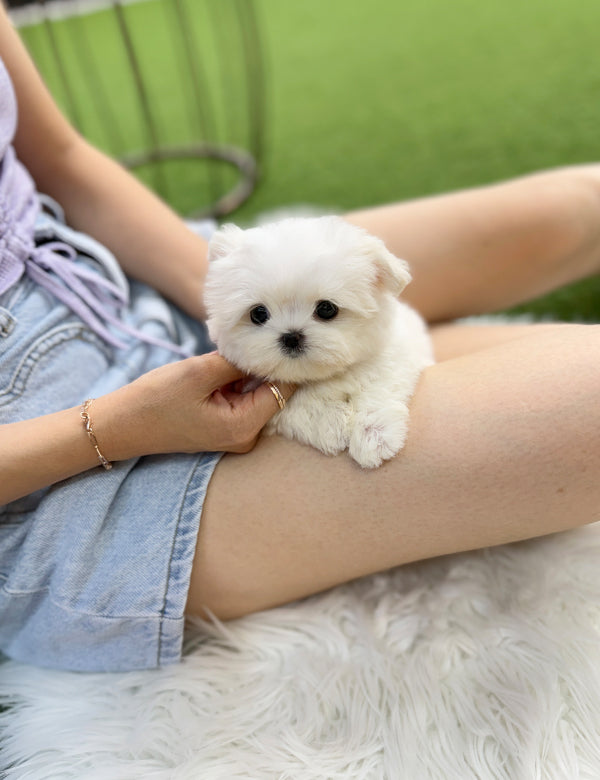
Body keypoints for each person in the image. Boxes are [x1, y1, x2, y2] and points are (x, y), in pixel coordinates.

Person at [0, 3, 599, 673]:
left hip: (121, 285)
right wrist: (120, 427)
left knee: (575, 207)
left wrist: (238, 292)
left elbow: (61, 158)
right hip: (59, 480)